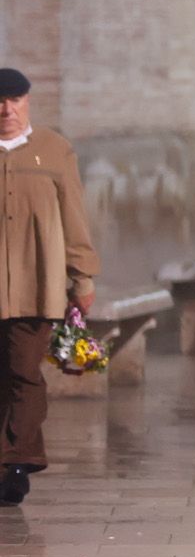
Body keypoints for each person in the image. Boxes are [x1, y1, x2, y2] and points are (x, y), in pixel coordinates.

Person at [0, 69, 98, 507]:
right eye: (0, 101)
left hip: (37, 287)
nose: (7, 110)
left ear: (27, 101)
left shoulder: (55, 150)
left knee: (24, 371)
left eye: (15, 100)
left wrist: (82, 276)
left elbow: (74, 216)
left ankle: (17, 463)